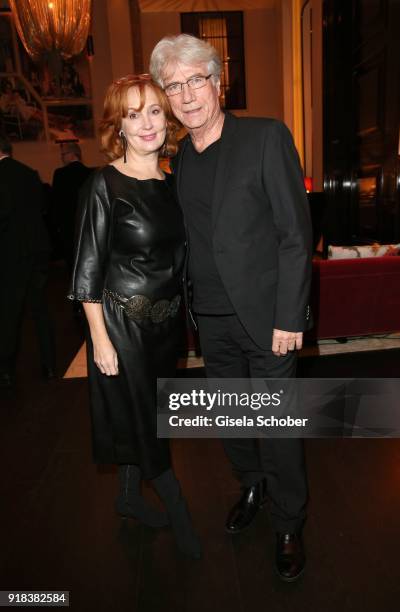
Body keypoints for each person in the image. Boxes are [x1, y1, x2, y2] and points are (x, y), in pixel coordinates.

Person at [150, 35, 313, 581]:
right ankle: (252, 485)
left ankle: (289, 520)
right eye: (175, 85)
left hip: (269, 321)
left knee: (279, 425)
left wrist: (291, 316)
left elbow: (296, 234)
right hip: (211, 320)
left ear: (219, 83)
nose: (187, 94)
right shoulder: (177, 162)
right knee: (232, 417)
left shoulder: (265, 137)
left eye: (197, 79)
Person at [68, 74, 201, 559]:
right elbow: (87, 272)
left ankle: (127, 498)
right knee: (147, 422)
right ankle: (180, 512)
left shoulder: (172, 182)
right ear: (117, 126)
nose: (145, 124)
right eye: (132, 114)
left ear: (166, 120)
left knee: (149, 418)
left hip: (167, 329)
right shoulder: (103, 185)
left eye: (152, 112)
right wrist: (100, 342)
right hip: (123, 329)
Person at [0, 135, 56, 387]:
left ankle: (6, 370)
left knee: (10, 313)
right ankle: (50, 365)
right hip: (38, 251)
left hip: (11, 254)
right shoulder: (29, 173)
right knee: (40, 310)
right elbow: (43, 207)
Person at [51, 142, 93, 273]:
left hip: (68, 225)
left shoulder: (60, 173)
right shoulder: (91, 173)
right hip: (88, 224)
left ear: (72, 154)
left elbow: (56, 202)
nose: (61, 157)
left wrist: (55, 225)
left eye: (63, 154)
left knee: (72, 264)